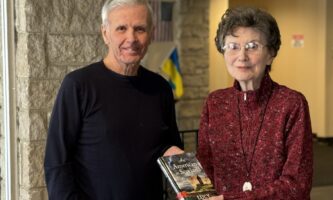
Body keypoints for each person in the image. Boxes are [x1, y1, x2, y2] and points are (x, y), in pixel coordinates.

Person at [44, 0, 184, 199]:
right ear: (105, 33)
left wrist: (195, 185)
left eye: (140, 29)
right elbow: (57, 162)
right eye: (121, 28)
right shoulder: (78, 85)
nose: (131, 38)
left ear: (151, 34)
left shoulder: (160, 88)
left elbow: (168, 147)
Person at [196, 7, 313, 200]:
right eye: (233, 46)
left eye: (252, 46)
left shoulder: (291, 104)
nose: (242, 56)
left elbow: (297, 186)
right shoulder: (215, 102)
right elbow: (204, 171)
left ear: (271, 53)